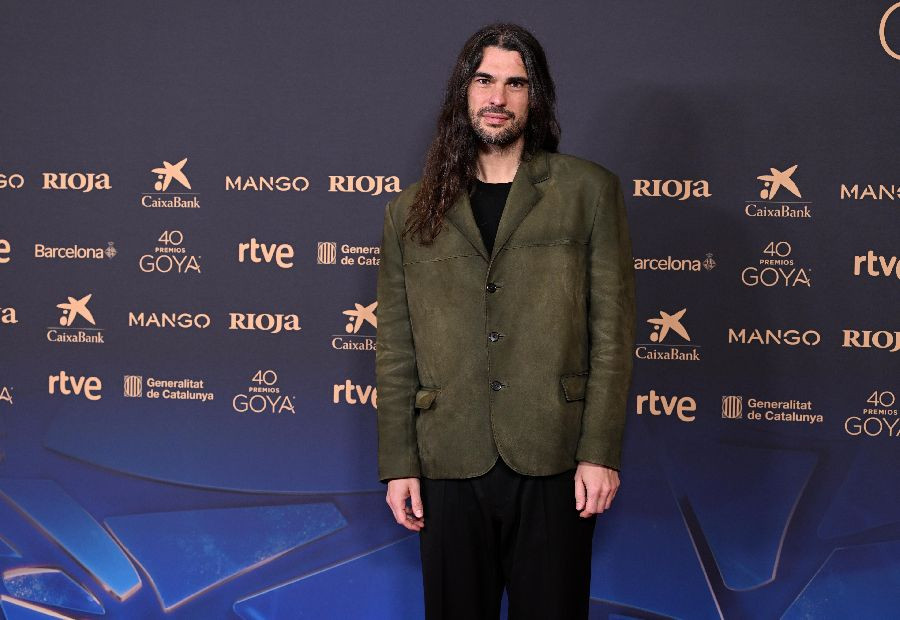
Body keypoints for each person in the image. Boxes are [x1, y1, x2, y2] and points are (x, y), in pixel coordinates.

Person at [375, 22, 636, 620]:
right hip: (448, 457)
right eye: (484, 80)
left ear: (535, 96)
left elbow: (612, 337)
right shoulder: (409, 211)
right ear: (463, 92)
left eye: (515, 83)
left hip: (554, 454)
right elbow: (395, 349)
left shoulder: (588, 191)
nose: (497, 97)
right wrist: (399, 465)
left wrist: (600, 452)